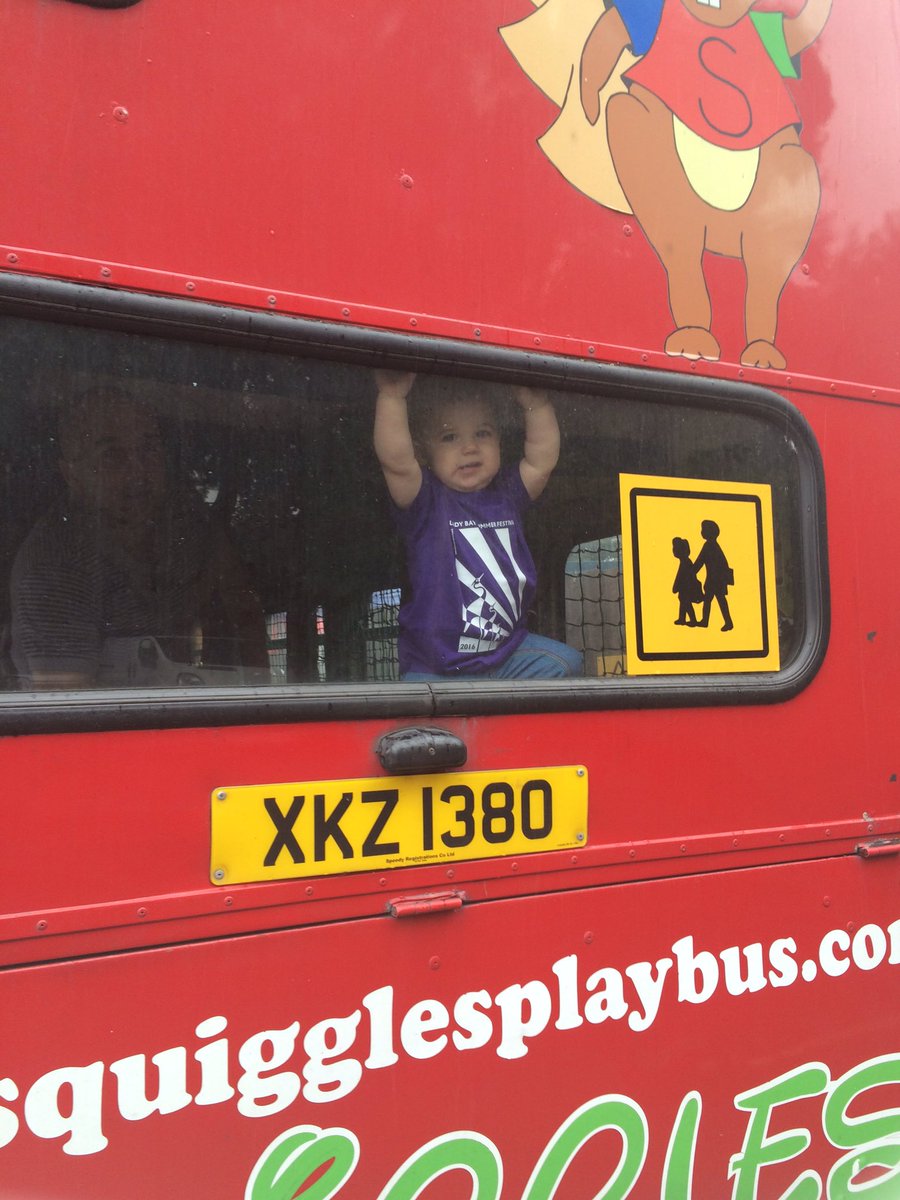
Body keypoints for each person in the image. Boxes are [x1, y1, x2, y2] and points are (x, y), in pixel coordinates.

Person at [10, 387, 268, 689]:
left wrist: (260, 692)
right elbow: (68, 705)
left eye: (149, 449)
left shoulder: (187, 521)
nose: (139, 472)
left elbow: (244, 610)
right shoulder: (55, 564)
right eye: (112, 456)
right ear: (72, 475)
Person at [373, 370, 582, 680]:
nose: (469, 447)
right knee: (413, 714)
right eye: (449, 437)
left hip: (505, 656)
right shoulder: (426, 501)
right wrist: (392, 398)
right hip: (435, 668)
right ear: (423, 453)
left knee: (566, 663)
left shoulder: (507, 494)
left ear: (499, 440)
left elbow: (542, 460)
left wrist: (536, 406)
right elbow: (397, 463)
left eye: (482, 433)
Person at [694, 519, 734, 633]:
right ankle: (707, 621)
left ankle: (726, 622)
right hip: (715, 579)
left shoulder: (709, 545)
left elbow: (700, 561)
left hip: (714, 580)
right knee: (713, 600)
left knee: (715, 600)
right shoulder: (714, 545)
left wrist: (692, 571)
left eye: (703, 530)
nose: (701, 532)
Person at [671, 536, 701, 626]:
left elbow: (680, 576)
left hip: (686, 587)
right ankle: (682, 618)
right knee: (683, 602)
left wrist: (675, 586)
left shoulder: (685, 562)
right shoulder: (685, 561)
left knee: (686, 603)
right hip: (684, 587)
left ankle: (693, 620)